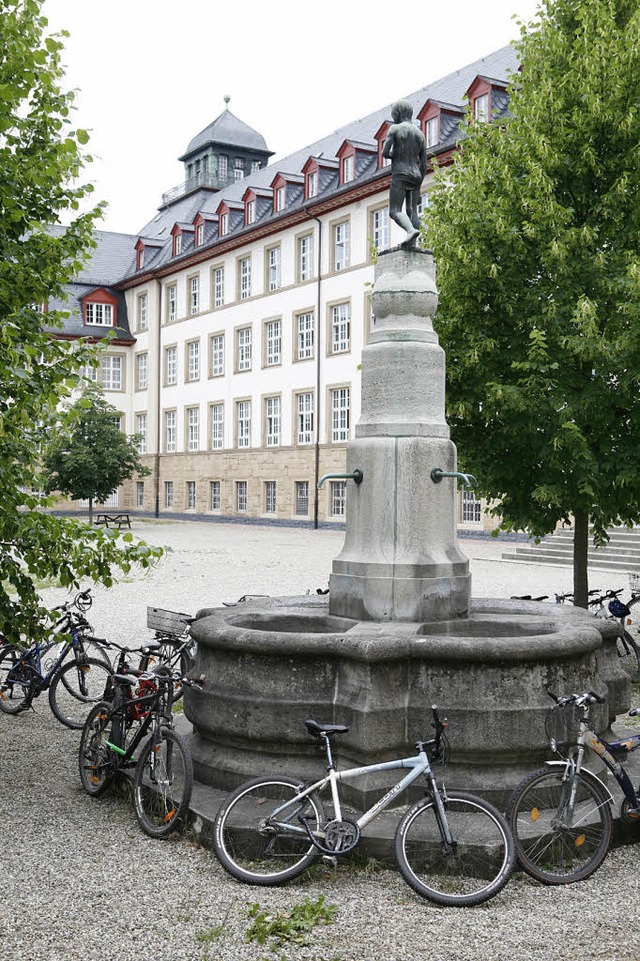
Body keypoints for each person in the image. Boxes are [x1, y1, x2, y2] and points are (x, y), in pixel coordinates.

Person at [382, 100, 427, 247]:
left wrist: (394, 156)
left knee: (394, 211)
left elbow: (384, 152)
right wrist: (419, 184)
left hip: (400, 172)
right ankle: (412, 244)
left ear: (397, 114)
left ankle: (410, 231)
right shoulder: (420, 134)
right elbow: (424, 163)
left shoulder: (395, 129)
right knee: (412, 210)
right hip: (416, 174)